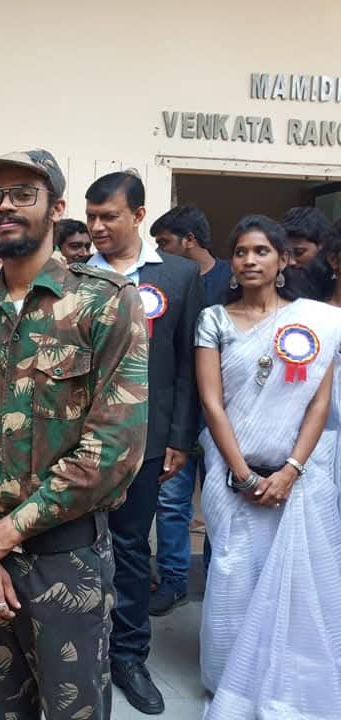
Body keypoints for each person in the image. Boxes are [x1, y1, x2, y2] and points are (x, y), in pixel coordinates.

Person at [0, 150, 149, 720]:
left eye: (22, 194)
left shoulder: (105, 302)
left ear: (56, 207)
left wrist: (5, 534)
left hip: (66, 559)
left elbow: (114, 450)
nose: (4, 206)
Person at [196, 215, 341, 718]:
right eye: (240, 251)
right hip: (230, 474)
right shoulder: (214, 319)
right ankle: (230, 680)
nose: (249, 260)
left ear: (283, 261)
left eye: (261, 251)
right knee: (233, 573)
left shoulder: (317, 321)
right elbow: (212, 404)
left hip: (298, 477)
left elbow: (319, 404)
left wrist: (290, 470)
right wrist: (243, 475)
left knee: (296, 582)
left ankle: (286, 676)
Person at [85, 172, 203, 715]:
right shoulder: (73, 275)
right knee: (77, 549)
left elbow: (187, 363)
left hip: (148, 440)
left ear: (137, 215)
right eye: (91, 217)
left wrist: (180, 438)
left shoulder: (177, 275)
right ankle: (80, 652)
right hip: (80, 440)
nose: (97, 227)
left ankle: (129, 656)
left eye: (108, 216)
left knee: (132, 548)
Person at [147, 204, 231, 613]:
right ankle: (173, 580)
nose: (159, 251)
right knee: (172, 502)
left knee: (221, 501)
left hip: (225, 414)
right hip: (178, 411)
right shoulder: (160, 282)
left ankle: (219, 582)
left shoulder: (231, 280)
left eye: (164, 243)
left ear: (189, 241)